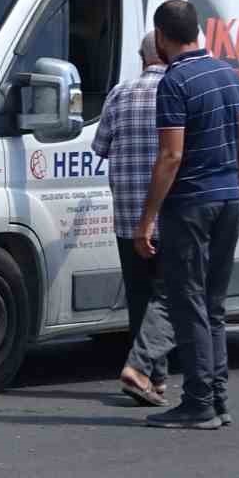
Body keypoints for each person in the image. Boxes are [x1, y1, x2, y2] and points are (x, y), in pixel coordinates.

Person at [134, 0, 239, 429]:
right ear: (198, 33)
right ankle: (218, 400)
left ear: (162, 37)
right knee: (215, 305)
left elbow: (170, 155)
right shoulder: (228, 72)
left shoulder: (176, 81)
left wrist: (147, 218)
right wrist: (232, 183)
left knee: (188, 305)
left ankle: (199, 402)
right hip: (226, 200)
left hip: (190, 205)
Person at [92, 32, 172, 406]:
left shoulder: (120, 93)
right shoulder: (178, 90)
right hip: (169, 213)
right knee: (171, 296)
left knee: (142, 297)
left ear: (142, 57)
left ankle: (152, 377)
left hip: (128, 216)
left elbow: (100, 147)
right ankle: (150, 374)